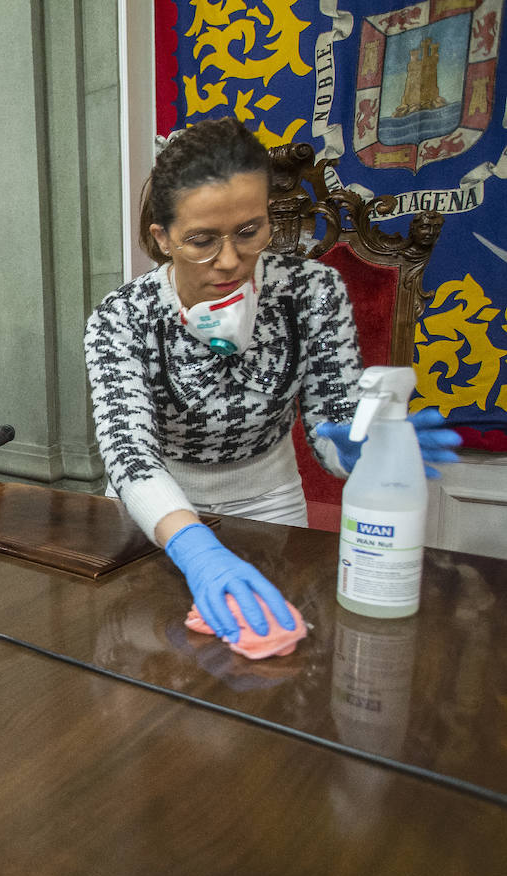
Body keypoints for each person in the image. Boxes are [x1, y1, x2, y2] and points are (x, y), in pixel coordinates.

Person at [84, 117, 459, 645]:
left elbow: (332, 424)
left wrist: (362, 447)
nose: (230, 261)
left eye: (248, 232)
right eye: (201, 240)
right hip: (151, 511)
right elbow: (128, 453)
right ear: (162, 238)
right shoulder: (121, 317)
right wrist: (194, 547)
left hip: (268, 505)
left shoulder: (313, 292)